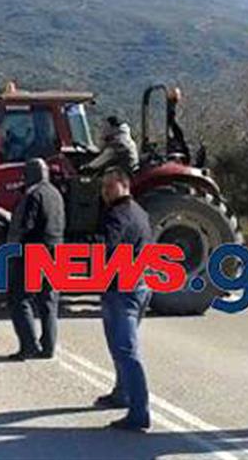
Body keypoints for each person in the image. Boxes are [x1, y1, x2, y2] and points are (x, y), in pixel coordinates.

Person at [95, 166, 153, 431]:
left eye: (110, 186)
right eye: (103, 187)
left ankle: (139, 411)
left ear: (124, 185)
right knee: (120, 346)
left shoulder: (116, 215)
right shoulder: (140, 212)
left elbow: (106, 248)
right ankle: (122, 393)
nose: (105, 192)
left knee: (125, 350)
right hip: (139, 285)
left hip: (122, 288)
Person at [6, 158, 64, 361]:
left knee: (19, 298)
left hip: (34, 252)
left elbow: (25, 225)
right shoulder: (55, 193)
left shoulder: (32, 194)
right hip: (56, 250)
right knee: (48, 301)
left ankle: (29, 345)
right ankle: (48, 347)